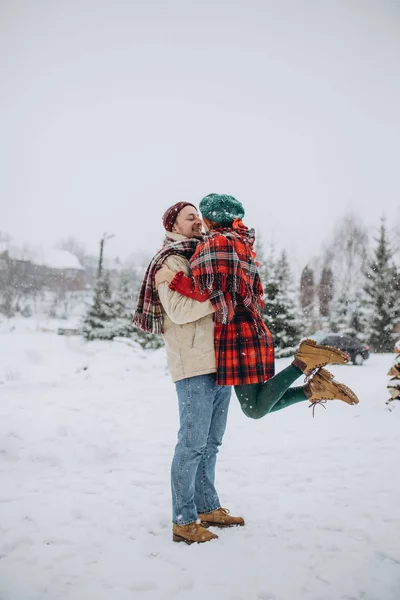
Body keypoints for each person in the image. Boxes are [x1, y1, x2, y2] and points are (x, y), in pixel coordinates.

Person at [155, 193, 360, 418]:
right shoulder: (240, 241)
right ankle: (314, 387)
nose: (200, 222)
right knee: (256, 404)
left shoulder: (215, 244)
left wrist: (172, 278)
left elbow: (207, 293)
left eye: (201, 216)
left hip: (235, 331)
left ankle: (304, 362)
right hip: (250, 327)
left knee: (254, 407)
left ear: (211, 220)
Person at [134, 202, 244, 546]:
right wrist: (218, 299)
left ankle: (208, 506)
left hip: (219, 361)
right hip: (193, 364)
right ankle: (183, 520)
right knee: (192, 444)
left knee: (211, 443)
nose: (198, 221)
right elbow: (180, 311)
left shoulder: (204, 255)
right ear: (174, 225)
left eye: (199, 215)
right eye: (190, 217)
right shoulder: (170, 261)